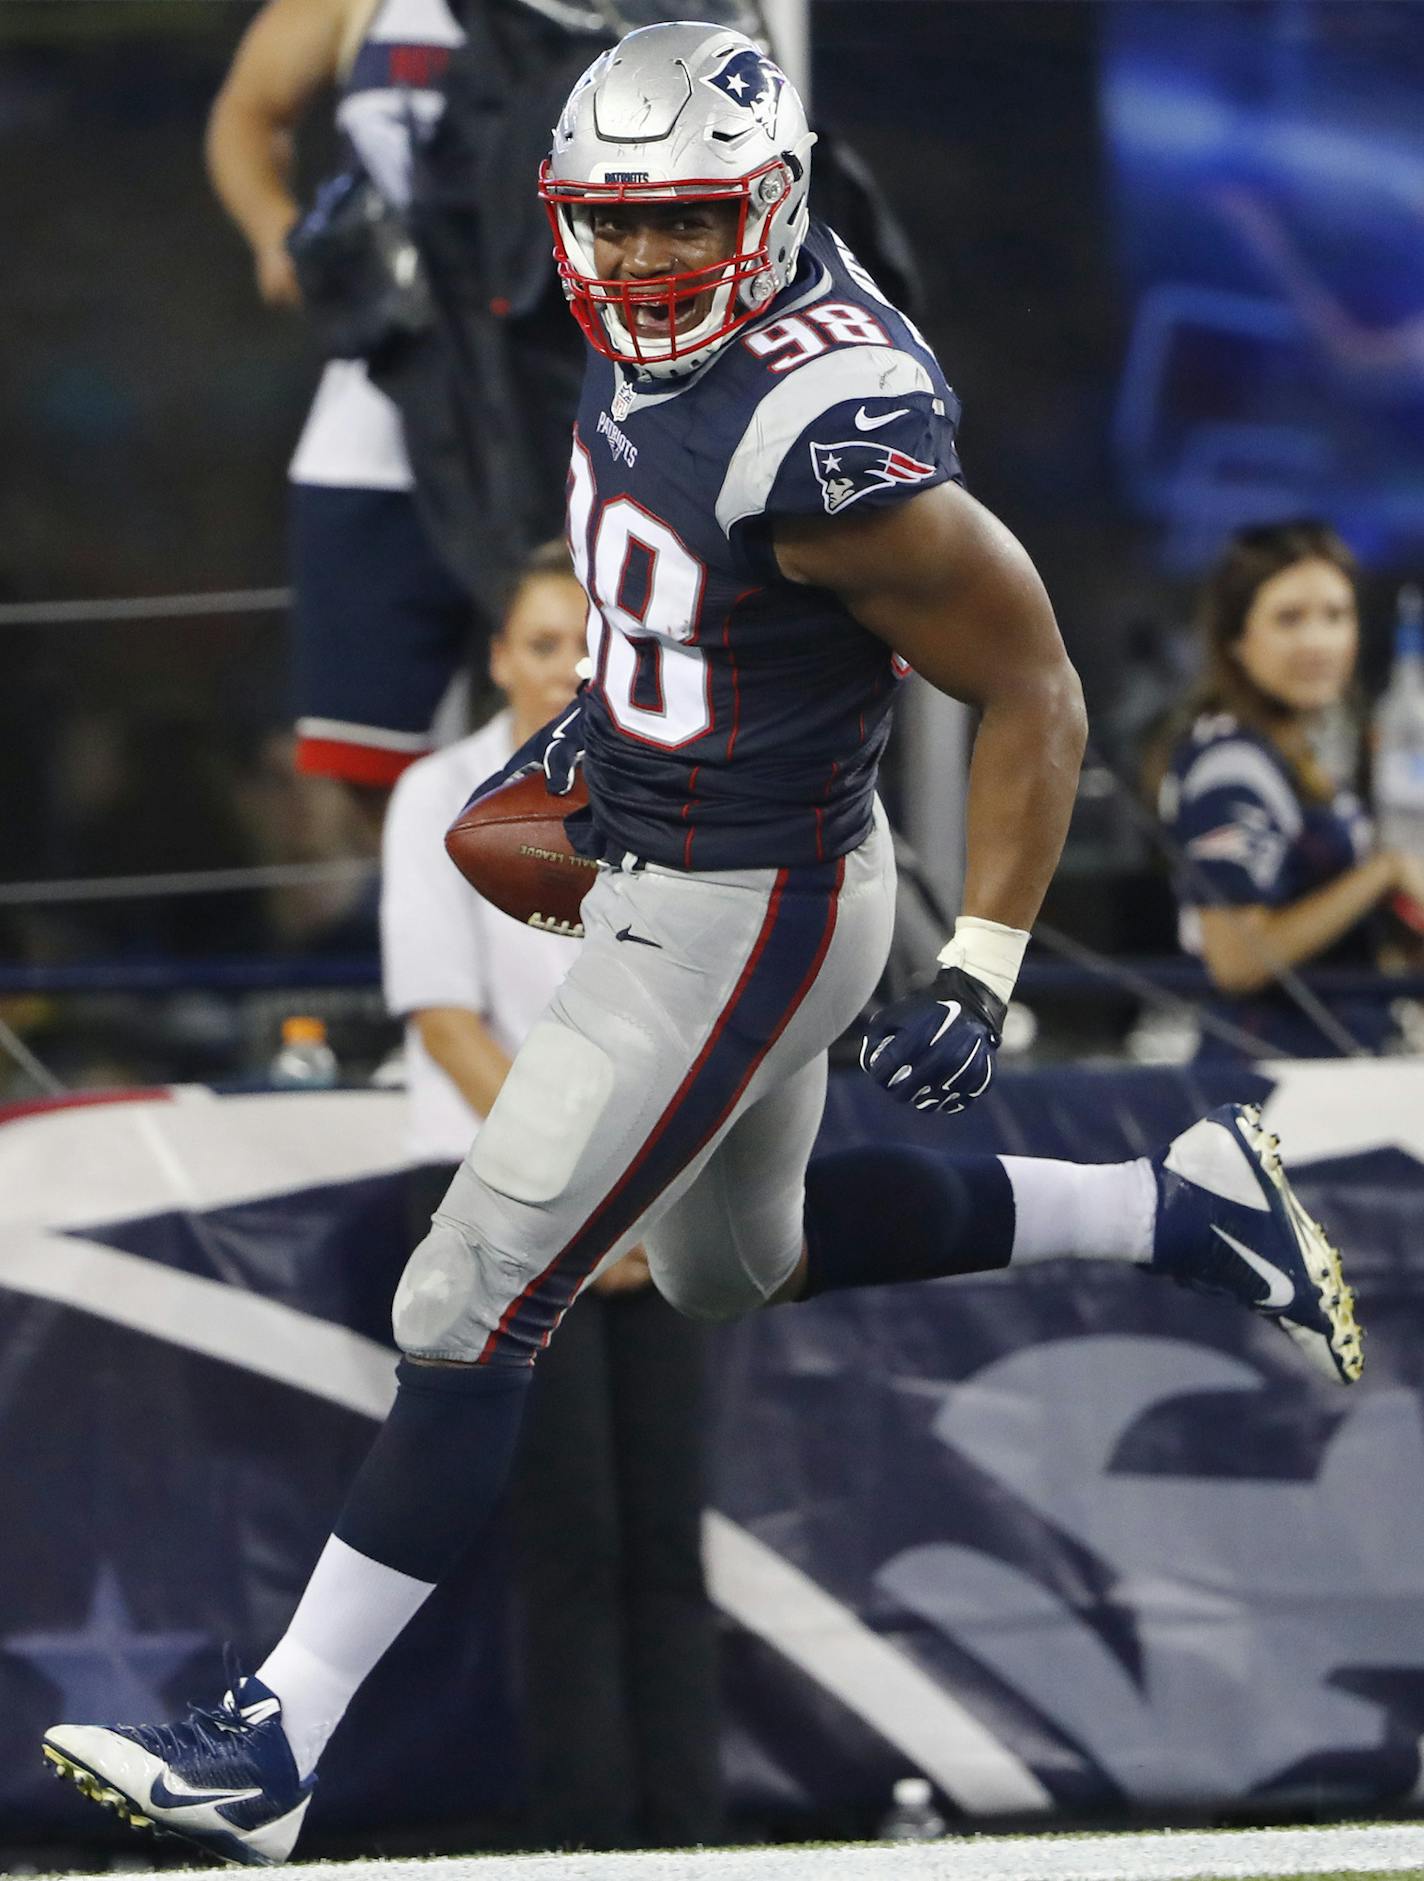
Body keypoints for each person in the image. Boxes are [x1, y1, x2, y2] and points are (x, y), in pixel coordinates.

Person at [44, 25, 1363, 1864]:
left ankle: (275, 1736)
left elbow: (1035, 687)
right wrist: (610, 726)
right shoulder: (645, 336)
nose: (647, 262)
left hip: (738, 900)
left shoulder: (831, 436)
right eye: (619, 222)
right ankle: (1170, 1204)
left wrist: (981, 961)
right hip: (705, 851)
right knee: (741, 1261)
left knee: (466, 1290)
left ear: (771, 202)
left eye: (684, 223)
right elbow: (704, 602)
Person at [381, 541, 721, 1849]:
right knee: (568, 1541)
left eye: (588, 645)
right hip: (508, 1201)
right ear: (496, 657)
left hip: (654, 1195)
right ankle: (589, 1843)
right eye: (539, 645)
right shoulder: (438, 795)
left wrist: (645, 1196)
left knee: (667, 1536)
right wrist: (581, 1196)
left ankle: (691, 1839)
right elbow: (446, 1022)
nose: (565, 670)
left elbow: (706, 1016)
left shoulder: (679, 794)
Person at [206, 0, 473, 813]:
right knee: (364, 751)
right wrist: (278, 235)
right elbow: (246, 110)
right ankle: (434, 920)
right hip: (395, 369)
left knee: (588, 711)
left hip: (566, 383)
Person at [1155, 519, 1424, 1059]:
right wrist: (1384, 871)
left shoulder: (1301, 753)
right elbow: (1237, 961)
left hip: (1333, 1074)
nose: (1317, 641)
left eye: (1335, 616)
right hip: (1270, 1091)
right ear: (1237, 641)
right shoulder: (1230, 764)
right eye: (1289, 619)